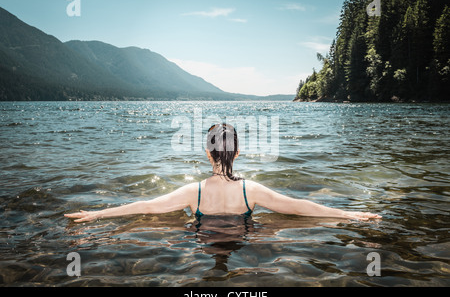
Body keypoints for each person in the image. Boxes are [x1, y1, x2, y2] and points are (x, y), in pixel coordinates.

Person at [65, 123, 382, 223]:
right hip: (244, 241)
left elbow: (146, 205)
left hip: (201, 243)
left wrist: (96, 215)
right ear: (238, 153)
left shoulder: (194, 192)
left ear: (208, 153)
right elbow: (300, 207)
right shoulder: (251, 191)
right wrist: (351, 215)